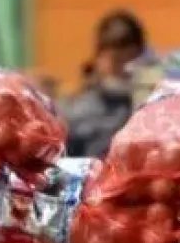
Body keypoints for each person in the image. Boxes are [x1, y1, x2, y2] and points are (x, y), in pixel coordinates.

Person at [60, 9, 148, 158]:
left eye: (129, 61)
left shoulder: (149, 103)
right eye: (116, 60)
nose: (124, 69)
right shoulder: (80, 108)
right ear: (100, 58)